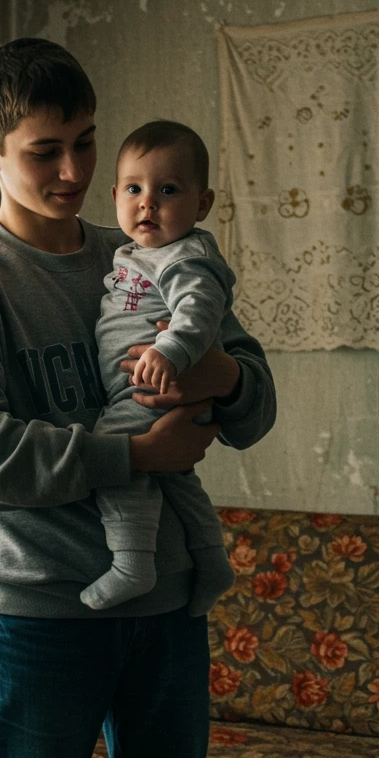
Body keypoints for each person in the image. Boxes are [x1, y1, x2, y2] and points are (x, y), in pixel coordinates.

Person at [0, 37, 277, 758]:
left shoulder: (153, 250)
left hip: (167, 614)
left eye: (86, 140)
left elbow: (256, 405)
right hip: (43, 617)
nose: (76, 169)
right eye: (46, 150)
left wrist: (222, 378)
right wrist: (133, 455)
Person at [81, 120, 236, 614]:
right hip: (140, 384)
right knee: (177, 477)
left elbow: (198, 307)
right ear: (115, 196)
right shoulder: (134, 252)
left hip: (148, 387)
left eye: (168, 190)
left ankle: (131, 562)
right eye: (134, 188)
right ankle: (212, 561)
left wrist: (169, 351)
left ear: (202, 203)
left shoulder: (185, 254)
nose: (148, 202)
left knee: (114, 455)